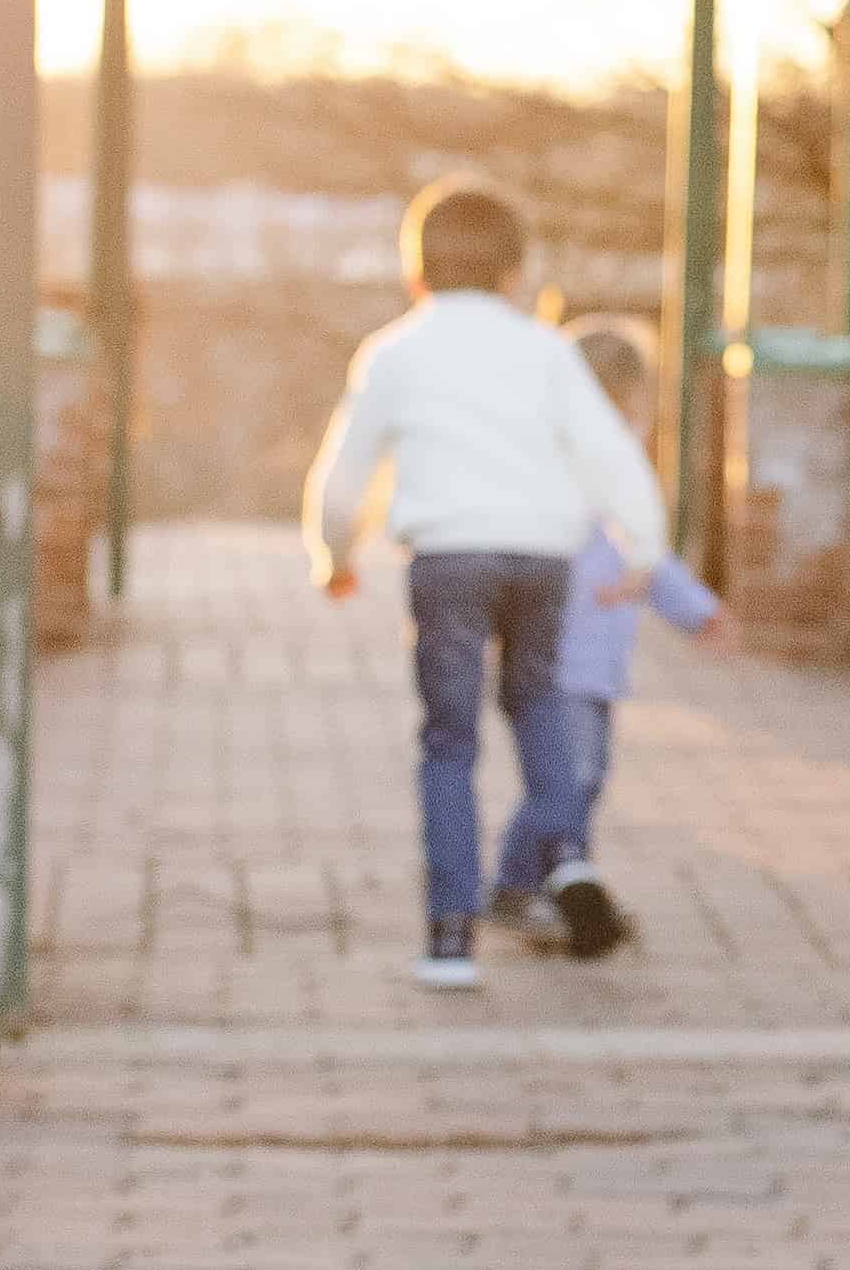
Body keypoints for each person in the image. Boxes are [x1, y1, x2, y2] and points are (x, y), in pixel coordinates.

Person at [303, 184, 675, 991]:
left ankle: (448, 939)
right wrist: (643, 547)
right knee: (537, 703)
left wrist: (334, 553)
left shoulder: (395, 352)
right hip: (541, 560)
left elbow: (344, 475)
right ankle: (561, 848)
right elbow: (609, 454)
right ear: (517, 274)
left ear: (416, 275)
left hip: (447, 563)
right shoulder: (545, 352)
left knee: (449, 742)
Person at [489, 314, 725, 961]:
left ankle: (566, 889)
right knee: (568, 783)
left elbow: (646, 563)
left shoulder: (570, 475)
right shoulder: (586, 477)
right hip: (561, 662)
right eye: (637, 411)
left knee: (578, 783)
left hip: (585, 665)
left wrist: (694, 610)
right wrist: (695, 610)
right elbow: (646, 561)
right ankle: (515, 884)